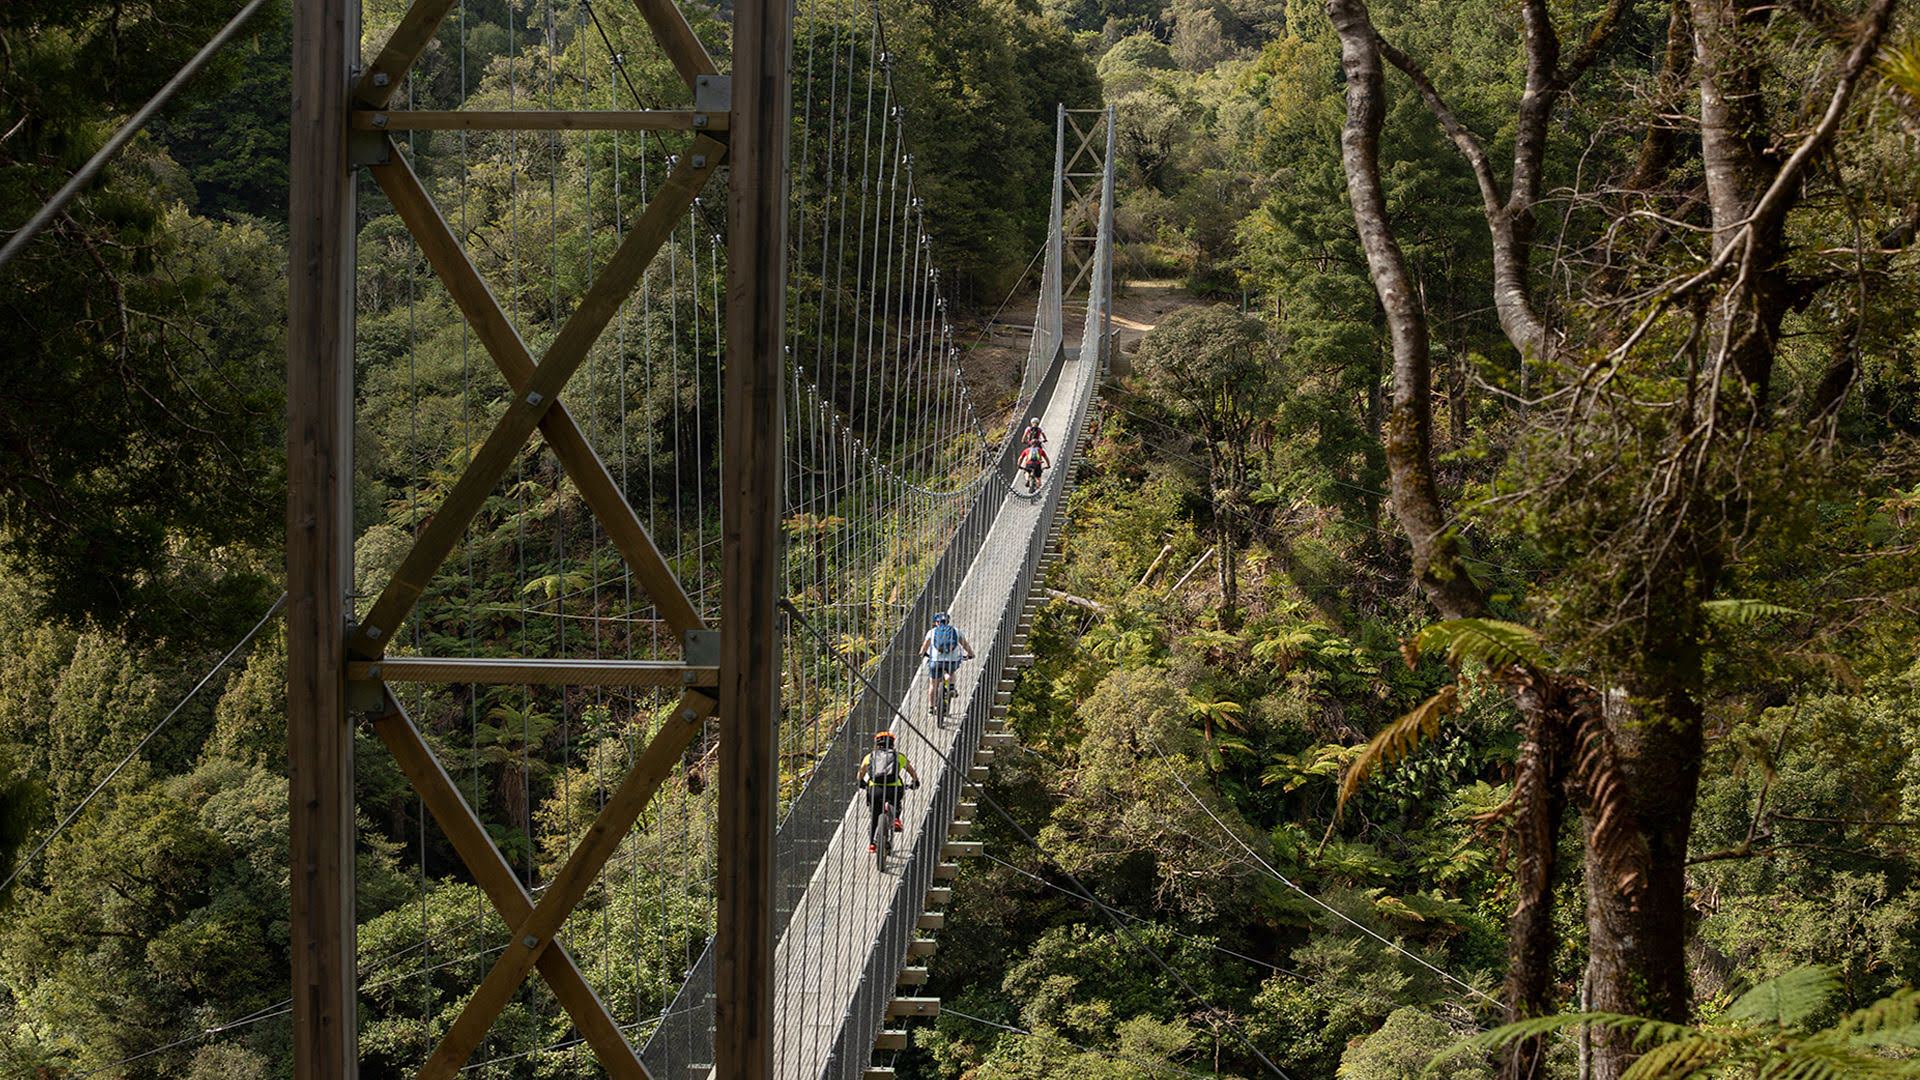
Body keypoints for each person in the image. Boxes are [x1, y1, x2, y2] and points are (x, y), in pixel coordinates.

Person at [858, 731, 920, 852]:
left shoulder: (870, 756)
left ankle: (872, 845)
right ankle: (895, 818)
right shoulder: (898, 756)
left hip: (875, 789)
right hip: (894, 788)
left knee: (874, 815)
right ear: (892, 743)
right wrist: (915, 781)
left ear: (877, 744)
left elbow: (861, 772)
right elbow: (911, 771)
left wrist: (861, 782)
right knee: (896, 801)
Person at [920, 611, 975, 712]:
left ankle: (931, 708)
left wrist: (922, 653)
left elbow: (925, 646)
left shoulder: (932, 632)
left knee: (933, 684)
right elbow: (965, 645)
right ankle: (951, 687)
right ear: (948, 621)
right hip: (952, 660)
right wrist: (971, 654)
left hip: (936, 661)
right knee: (951, 671)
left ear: (936, 622)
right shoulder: (956, 631)